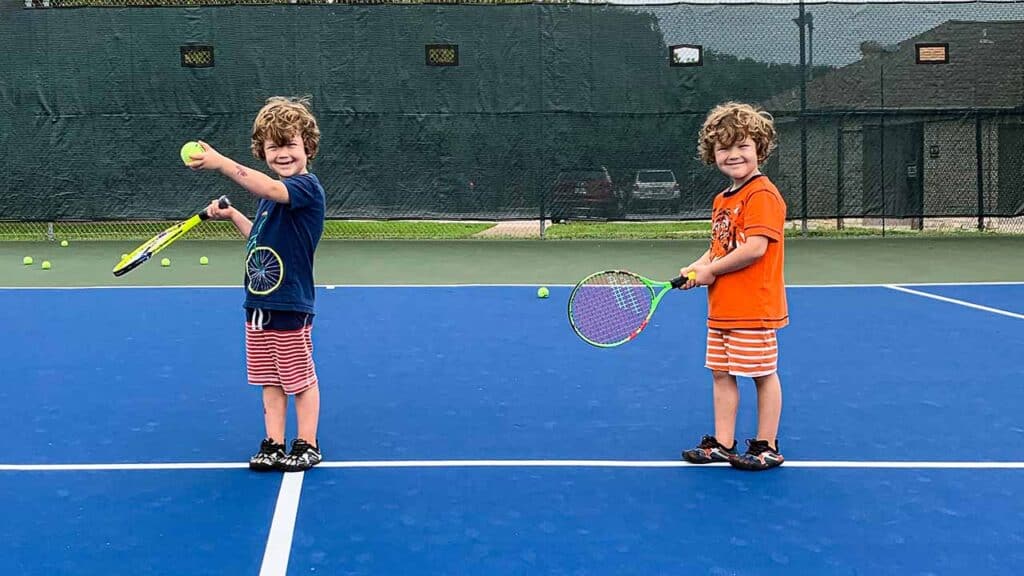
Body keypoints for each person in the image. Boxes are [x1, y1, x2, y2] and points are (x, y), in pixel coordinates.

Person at [188, 96, 326, 472]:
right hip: (259, 307)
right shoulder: (270, 202)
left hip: (291, 304)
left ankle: (307, 443)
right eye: (273, 146)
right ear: (263, 151)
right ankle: (273, 443)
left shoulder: (304, 189)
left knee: (299, 378)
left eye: (290, 144)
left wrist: (220, 164)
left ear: (307, 148)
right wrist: (233, 215)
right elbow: (259, 243)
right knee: (269, 377)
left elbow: (267, 188)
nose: (282, 153)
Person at [679, 101, 788, 471]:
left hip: (754, 307)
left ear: (760, 148)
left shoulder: (762, 195)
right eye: (725, 148)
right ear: (713, 154)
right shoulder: (723, 200)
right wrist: (699, 267)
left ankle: (766, 445)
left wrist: (711, 271)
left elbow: (754, 248)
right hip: (723, 307)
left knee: (761, 374)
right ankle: (724, 443)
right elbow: (720, 247)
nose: (734, 154)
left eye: (743, 145)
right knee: (722, 374)